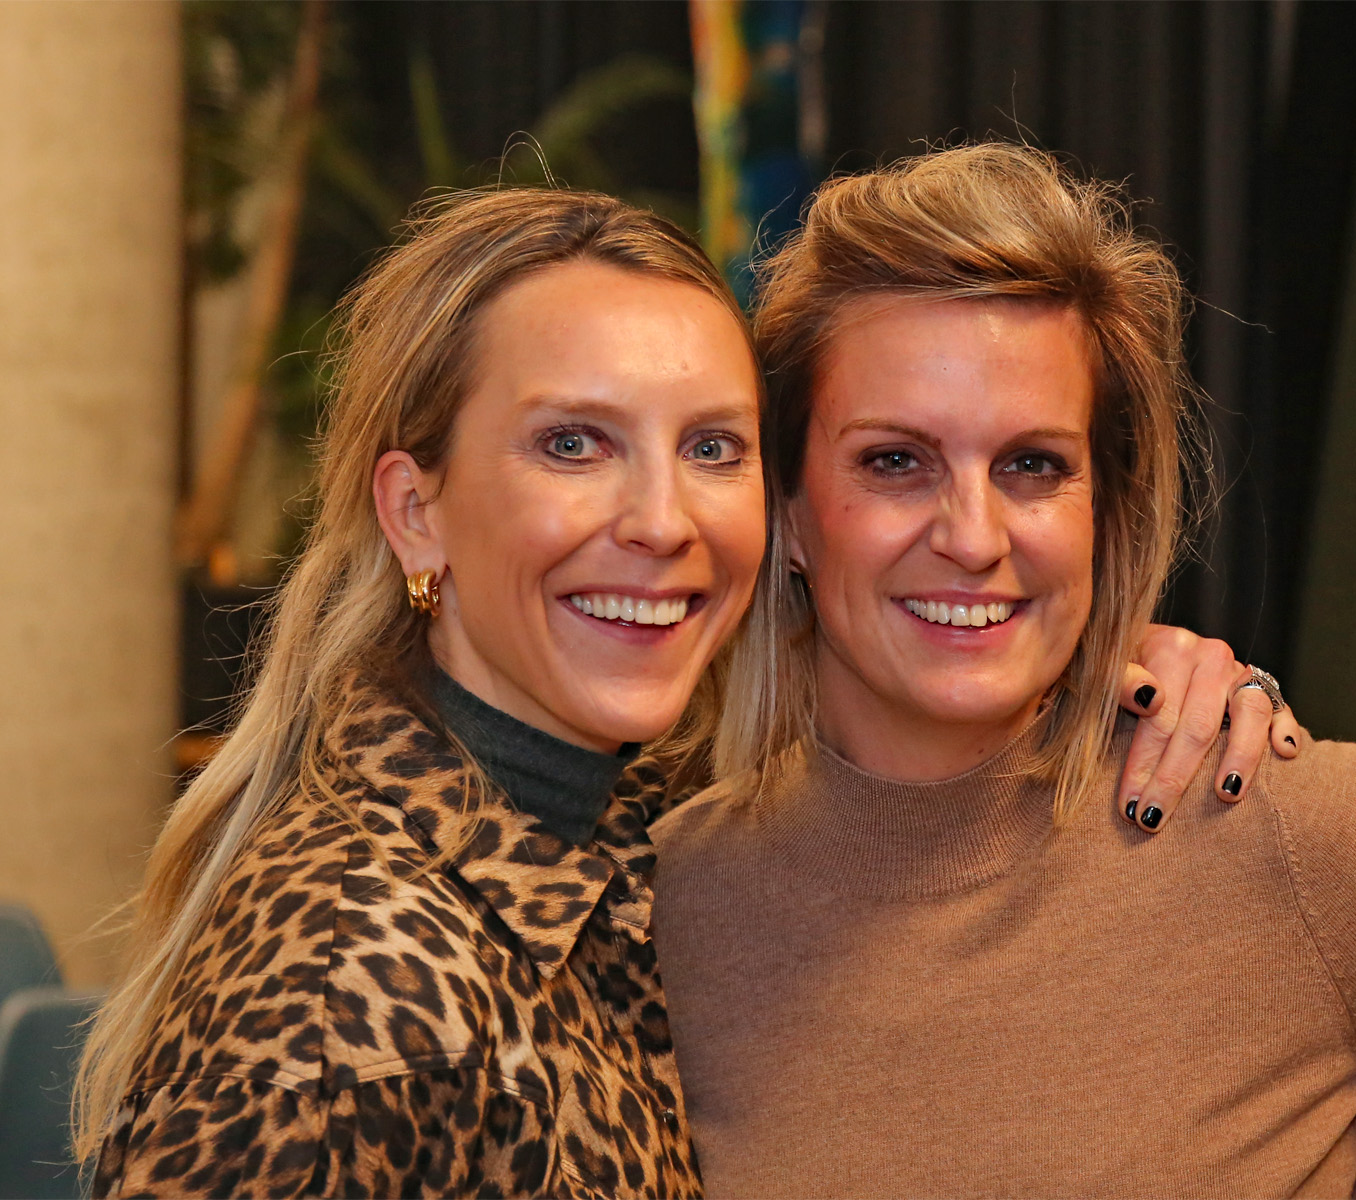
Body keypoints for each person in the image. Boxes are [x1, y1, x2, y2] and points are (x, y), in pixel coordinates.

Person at [75, 188, 1294, 1198]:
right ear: (415, 510)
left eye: (711, 447)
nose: (662, 523)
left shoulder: (623, 840)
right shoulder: (349, 988)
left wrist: (1124, 664)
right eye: (573, 444)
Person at [649, 143, 1356, 1198]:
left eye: (1034, 465)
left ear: (1104, 512)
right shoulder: (666, 913)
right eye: (896, 461)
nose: (974, 535)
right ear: (787, 510)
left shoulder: (1276, 831)